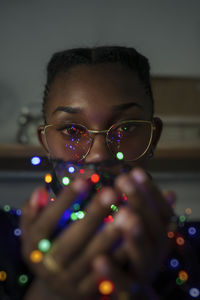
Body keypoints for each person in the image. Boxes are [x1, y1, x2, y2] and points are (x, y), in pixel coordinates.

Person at [0, 46, 199, 300]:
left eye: (126, 128)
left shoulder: (190, 251)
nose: (99, 154)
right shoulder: (5, 244)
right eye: (72, 130)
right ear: (45, 142)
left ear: (153, 137)